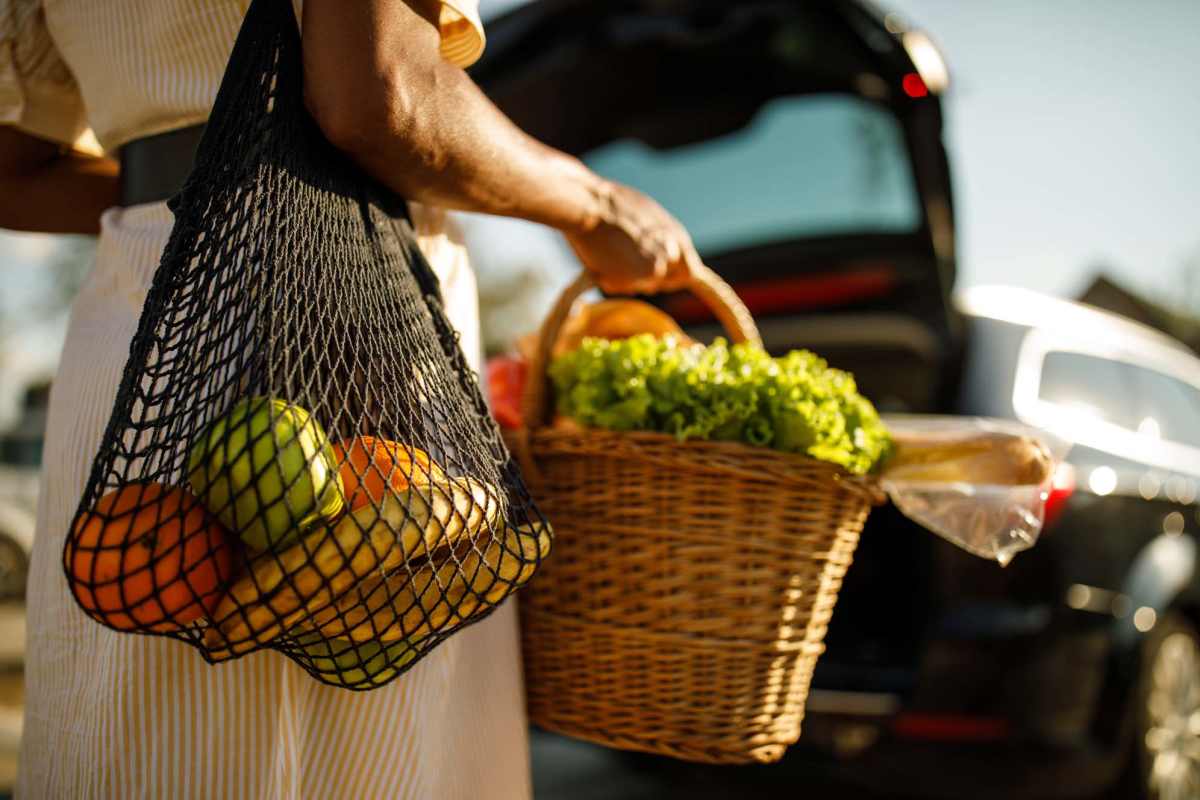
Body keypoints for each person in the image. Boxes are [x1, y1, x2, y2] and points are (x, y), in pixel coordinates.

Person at [0, 0, 703, 796]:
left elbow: (13, 175)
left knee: (141, 740)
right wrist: (596, 202)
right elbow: (380, 97)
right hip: (359, 315)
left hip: (150, 320)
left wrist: (193, 178)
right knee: (374, 752)